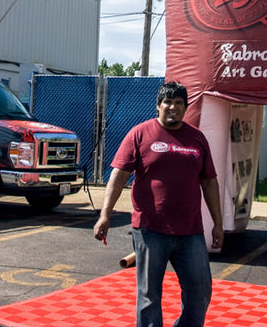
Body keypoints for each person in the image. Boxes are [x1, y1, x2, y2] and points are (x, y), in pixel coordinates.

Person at [94, 81, 223, 327]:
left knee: (200, 290)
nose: (173, 107)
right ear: (158, 106)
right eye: (168, 102)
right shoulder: (140, 133)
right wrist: (105, 214)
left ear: (185, 107)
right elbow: (118, 175)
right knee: (149, 296)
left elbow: (209, 182)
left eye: (179, 103)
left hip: (190, 232)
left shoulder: (197, 138)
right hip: (150, 230)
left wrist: (218, 223)